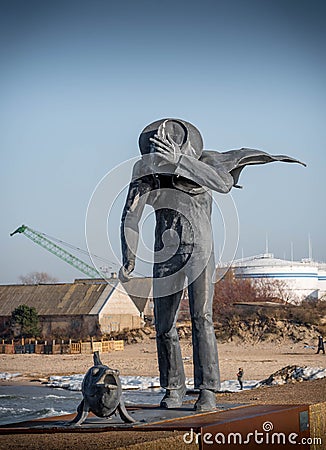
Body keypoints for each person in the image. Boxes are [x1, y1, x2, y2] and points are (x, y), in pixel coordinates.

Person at [119, 118, 305, 411]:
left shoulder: (206, 162)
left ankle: (207, 390)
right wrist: (127, 255)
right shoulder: (146, 170)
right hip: (164, 255)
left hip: (200, 251)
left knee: (201, 317)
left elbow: (223, 184)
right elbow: (130, 215)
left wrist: (180, 160)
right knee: (164, 323)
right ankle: (173, 388)